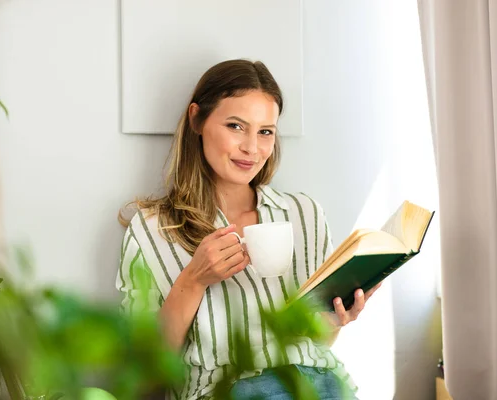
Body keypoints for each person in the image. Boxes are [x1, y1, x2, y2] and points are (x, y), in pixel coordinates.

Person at [117, 59, 380, 400]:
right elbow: (145, 372)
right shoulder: (153, 231)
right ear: (197, 118)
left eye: (265, 131)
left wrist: (332, 323)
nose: (252, 149)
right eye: (236, 126)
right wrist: (193, 280)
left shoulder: (304, 214)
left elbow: (314, 348)